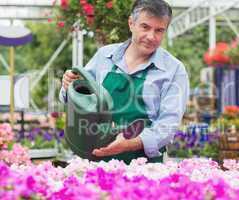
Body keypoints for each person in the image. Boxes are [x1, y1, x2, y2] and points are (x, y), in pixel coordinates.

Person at [60, 0, 189, 164]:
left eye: (159, 30)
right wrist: (68, 85)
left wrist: (130, 144)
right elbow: (79, 98)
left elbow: (167, 125)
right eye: (145, 27)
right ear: (131, 23)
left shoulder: (174, 70)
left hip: (144, 167)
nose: (151, 36)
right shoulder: (104, 56)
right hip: (96, 158)